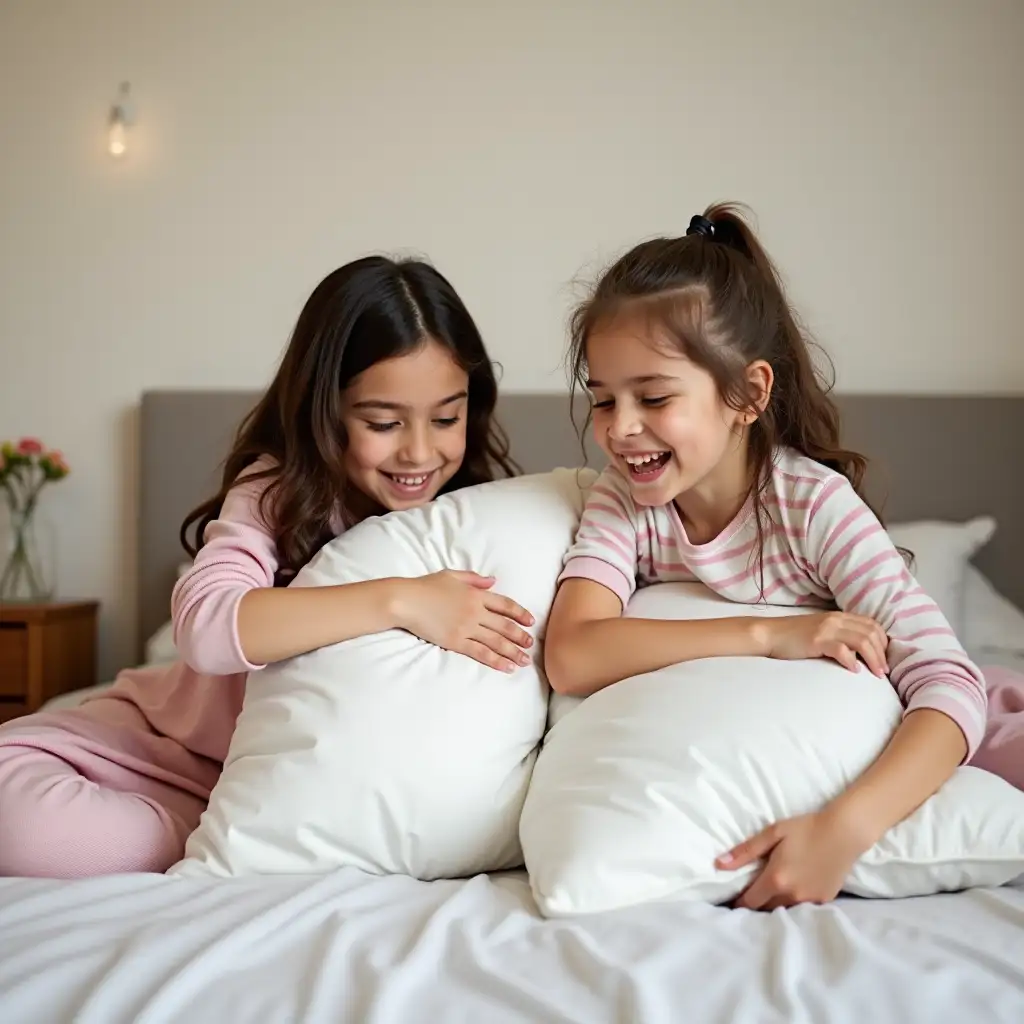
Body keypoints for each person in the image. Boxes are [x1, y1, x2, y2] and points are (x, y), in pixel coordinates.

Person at [544, 203, 1024, 911]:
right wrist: (772, 634)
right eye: (604, 400)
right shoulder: (626, 500)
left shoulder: (810, 505)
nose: (620, 430)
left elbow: (948, 681)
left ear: (748, 393)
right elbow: (572, 653)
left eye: (652, 397)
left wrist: (843, 829)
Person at [0, 256, 536, 878]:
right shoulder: (281, 490)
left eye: (447, 417)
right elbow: (204, 627)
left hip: (294, 789)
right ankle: (231, 843)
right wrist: (399, 599)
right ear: (324, 409)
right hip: (164, 752)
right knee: (26, 823)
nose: (419, 451)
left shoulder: (489, 517)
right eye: (383, 422)